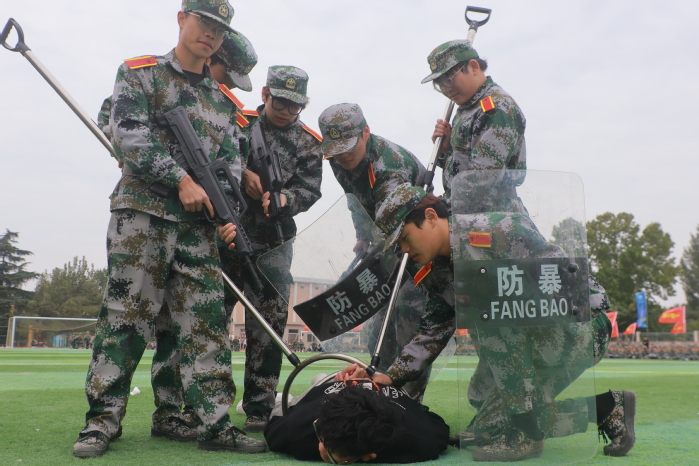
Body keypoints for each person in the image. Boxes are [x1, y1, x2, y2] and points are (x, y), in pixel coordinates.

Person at [73, 1, 266, 457]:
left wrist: (228, 218)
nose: (211, 35)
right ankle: (101, 422)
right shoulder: (140, 74)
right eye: (204, 23)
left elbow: (230, 166)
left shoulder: (224, 103)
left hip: (198, 230)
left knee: (206, 325)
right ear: (182, 19)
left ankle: (215, 423)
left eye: (220, 30)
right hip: (143, 216)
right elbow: (128, 133)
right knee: (125, 318)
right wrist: (179, 178)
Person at [364, 184, 636, 461]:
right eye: (399, 246)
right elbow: (433, 331)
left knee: (495, 318)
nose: (405, 250)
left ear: (431, 217)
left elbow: (560, 278)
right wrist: (391, 375)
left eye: (406, 238)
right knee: (487, 415)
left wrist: (515, 312)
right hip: (525, 342)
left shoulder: (500, 229)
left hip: (578, 326)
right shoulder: (438, 271)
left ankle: (526, 437)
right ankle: (606, 407)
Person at [223, 65, 323, 433]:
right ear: (265, 94)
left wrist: (285, 199)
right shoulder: (237, 122)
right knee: (213, 319)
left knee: (268, 324)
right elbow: (213, 156)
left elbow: (310, 189)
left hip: (274, 242)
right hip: (227, 234)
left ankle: (259, 407)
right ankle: (210, 403)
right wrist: (242, 175)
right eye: (280, 102)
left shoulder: (309, 142)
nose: (286, 111)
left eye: (295, 106)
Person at [317, 103, 433, 402]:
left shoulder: (389, 167)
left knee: (408, 323)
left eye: (349, 148)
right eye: (335, 151)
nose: (343, 157)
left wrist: (378, 242)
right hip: (385, 250)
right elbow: (354, 198)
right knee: (379, 334)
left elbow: (399, 223)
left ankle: (408, 405)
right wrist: (362, 235)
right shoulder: (337, 158)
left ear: (366, 132)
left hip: (416, 249)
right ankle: (379, 398)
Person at [424, 40, 527, 213]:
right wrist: (446, 150)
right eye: (439, 84)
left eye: (449, 79)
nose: (446, 90)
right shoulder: (468, 107)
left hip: (494, 220)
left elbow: (480, 182)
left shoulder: (496, 107)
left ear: (473, 67)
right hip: (467, 216)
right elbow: (463, 169)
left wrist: (436, 209)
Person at [264, 373, 449, 463]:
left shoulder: (420, 440)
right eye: (320, 435)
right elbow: (274, 425)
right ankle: (323, 380)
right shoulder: (298, 427)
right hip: (326, 389)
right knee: (287, 402)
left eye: (330, 454)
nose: (319, 446)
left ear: (368, 456)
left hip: (382, 393)